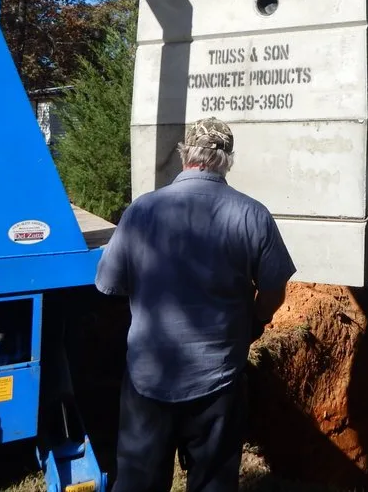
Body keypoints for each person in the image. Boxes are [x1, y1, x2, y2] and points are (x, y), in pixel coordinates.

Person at [95, 117, 296, 492]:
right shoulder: (253, 215)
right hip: (218, 381)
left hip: (147, 378)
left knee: (138, 483)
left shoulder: (140, 212)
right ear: (228, 159)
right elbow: (274, 288)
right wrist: (255, 321)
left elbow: (109, 284)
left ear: (185, 153)